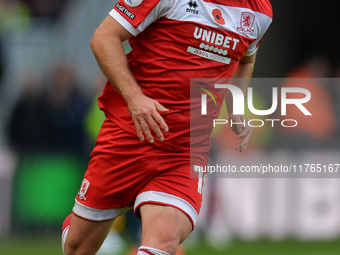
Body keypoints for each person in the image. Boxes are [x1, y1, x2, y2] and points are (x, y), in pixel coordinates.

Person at [61, 0, 273, 254]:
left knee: (163, 244)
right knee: (77, 248)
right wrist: (135, 98)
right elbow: (104, 37)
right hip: (128, 138)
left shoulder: (260, 10)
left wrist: (236, 108)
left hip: (184, 152)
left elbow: (246, 60)